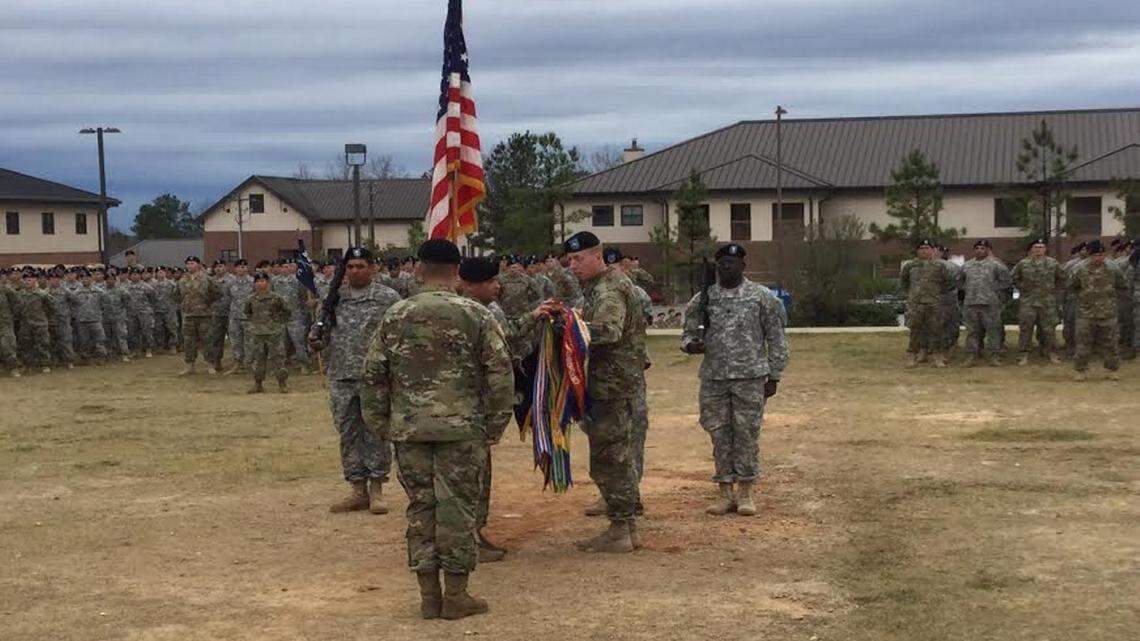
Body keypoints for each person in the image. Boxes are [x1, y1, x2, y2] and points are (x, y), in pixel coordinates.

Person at [361, 239, 514, 621]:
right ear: (457, 271)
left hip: (410, 431)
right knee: (458, 510)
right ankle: (457, 595)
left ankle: (429, 596)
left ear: (418, 269)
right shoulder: (475, 314)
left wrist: (383, 423)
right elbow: (500, 372)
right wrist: (494, 424)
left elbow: (373, 374)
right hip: (462, 430)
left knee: (421, 508)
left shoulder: (397, 314)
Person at [539, 231, 646, 553]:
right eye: (570, 260)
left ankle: (620, 529)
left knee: (608, 458)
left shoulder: (609, 288)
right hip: (612, 383)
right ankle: (626, 527)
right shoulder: (603, 285)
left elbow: (609, 332)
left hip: (612, 386)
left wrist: (567, 326)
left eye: (579, 259)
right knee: (616, 456)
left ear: (597, 256)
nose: (573, 266)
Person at [681, 243, 789, 516]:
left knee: (747, 434)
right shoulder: (704, 299)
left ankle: (746, 493)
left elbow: (776, 338)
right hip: (714, 378)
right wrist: (692, 345)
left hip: (750, 377)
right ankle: (725, 493)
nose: (726, 267)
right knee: (718, 433)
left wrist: (774, 375)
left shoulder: (761, 297)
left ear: (743, 265)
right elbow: (688, 333)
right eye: (722, 264)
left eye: (731, 262)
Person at [307, 247, 400, 514]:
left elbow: (396, 335)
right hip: (341, 375)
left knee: (376, 432)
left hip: (375, 376)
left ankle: (377, 490)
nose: (355, 271)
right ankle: (357, 488)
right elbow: (321, 330)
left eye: (361, 266)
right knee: (347, 432)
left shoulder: (387, 297)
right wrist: (315, 339)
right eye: (350, 267)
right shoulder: (333, 297)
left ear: (372, 268)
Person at [456, 256, 513, 564]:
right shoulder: (480, 315)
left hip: (432, 416)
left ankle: (466, 537)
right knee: (473, 479)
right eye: (491, 282)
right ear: (471, 285)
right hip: (471, 413)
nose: (497, 286)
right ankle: (469, 538)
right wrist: (497, 420)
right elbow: (502, 364)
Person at [1070, 240, 1127, 381]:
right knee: (1083, 343)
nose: (1098, 258)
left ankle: (1112, 370)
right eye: (1095, 255)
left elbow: (1122, 284)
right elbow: (1072, 286)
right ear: (1090, 255)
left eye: (1101, 255)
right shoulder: (1079, 268)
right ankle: (1081, 370)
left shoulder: (1113, 268)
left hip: (1108, 312)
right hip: (1086, 312)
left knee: (1111, 343)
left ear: (1105, 255)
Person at [899, 240, 954, 367]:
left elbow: (948, 283)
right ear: (917, 251)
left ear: (932, 250)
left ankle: (937, 356)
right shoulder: (910, 265)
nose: (924, 250)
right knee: (915, 331)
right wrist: (913, 294)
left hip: (934, 303)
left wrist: (937, 293)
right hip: (916, 304)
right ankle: (912, 356)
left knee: (936, 330)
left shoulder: (939, 266)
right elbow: (904, 282)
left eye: (927, 248)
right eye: (921, 248)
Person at [1011, 239, 1065, 364]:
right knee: (1026, 328)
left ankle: (1051, 352)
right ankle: (1024, 354)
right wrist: (1022, 288)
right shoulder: (1023, 263)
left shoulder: (1053, 263)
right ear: (1031, 249)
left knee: (1049, 329)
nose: (1038, 249)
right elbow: (1014, 277)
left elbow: (1061, 278)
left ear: (1045, 249)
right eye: (1036, 247)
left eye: (1041, 247)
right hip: (1028, 302)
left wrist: (1053, 291)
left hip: (1047, 302)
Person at [959, 240, 1011, 366]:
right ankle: (972, 355)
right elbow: (960, 282)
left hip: (990, 304)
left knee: (993, 330)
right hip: (971, 303)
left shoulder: (996, 265)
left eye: (982, 248)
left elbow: (1006, 282)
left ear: (988, 250)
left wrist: (994, 292)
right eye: (977, 248)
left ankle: (994, 355)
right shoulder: (966, 266)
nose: (979, 250)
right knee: (972, 331)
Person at [174, 256, 222, 375]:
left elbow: (218, 292)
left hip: (204, 315)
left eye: (193, 263)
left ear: (198, 265)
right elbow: (176, 295)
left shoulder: (207, 279)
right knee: (189, 342)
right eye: (188, 264)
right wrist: (185, 304)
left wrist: (207, 302)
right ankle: (190, 366)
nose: (190, 266)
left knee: (207, 341)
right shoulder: (182, 280)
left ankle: (210, 365)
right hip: (188, 315)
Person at [243, 272, 290, 394]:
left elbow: (286, 311)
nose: (260, 284)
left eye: (263, 281)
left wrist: (278, 323)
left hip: (274, 333)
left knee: (278, 359)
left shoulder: (276, 298)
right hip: (257, 334)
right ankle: (258, 384)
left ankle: (282, 384)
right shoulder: (250, 299)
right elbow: (247, 312)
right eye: (258, 281)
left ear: (268, 283)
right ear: (254, 284)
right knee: (258, 360)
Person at [14, 270, 53, 373]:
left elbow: (49, 307)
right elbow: (17, 309)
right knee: (26, 345)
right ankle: (28, 365)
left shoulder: (42, 294)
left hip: (39, 323)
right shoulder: (19, 294)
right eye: (26, 279)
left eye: (30, 279)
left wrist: (43, 318)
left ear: (35, 280)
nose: (27, 281)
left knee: (43, 344)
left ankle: (45, 364)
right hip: (25, 324)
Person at [72, 270, 108, 364]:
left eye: (87, 278)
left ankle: (101, 357)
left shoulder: (98, 291)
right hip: (82, 320)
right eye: (83, 278)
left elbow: (105, 304)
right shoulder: (76, 293)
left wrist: (100, 314)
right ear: (80, 279)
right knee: (84, 341)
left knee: (100, 339)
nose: (85, 280)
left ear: (91, 279)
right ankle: (85, 358)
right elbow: (72, 306)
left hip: (95, 319)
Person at [225, 259, 255, 373]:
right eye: (239, 267)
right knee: (236, 341)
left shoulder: (253, 282)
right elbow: (228, 298)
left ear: (247, 268)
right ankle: (238, 363)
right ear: (235, 269)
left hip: (248, 317)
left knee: (250, 342)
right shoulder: (230, 283)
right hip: (234, 317)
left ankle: (251, 364)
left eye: (243, 267)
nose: (241, 269)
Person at [45, 271, 77, 369]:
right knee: (52, 341)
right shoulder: (45, 292)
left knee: (66, 340)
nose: (55, 280)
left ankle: (69, 361)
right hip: (51, 320)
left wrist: (70, 313)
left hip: (63, 320)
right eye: (52, 279)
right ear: (49, 280)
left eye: (57, 279)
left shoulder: (65, 290)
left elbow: (74, 300)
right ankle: (54, 360)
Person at [206, 260, 233, 371]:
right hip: (216, 313)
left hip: (231, 313)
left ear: (225, 267)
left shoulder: (232, 280)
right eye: (216, 267)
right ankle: (217, 361)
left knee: (234, 339)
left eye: (220, 266)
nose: (218, 269)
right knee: (216, 338)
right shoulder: (211, 281)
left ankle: (238, 361)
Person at [939, 246, 963, 353]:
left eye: (945, 251)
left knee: (952, 323)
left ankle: (952, 345)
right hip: (934, 298)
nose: (943, 253)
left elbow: (960, 284)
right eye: (941, 251)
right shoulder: (927, 266)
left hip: (949, 298)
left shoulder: (954, 267)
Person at [0, 271, 20, 376]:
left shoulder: (5, 290)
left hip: (5, 322)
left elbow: (17, 303)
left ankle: (13, 367)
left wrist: (12, 316)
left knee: (8, 345)